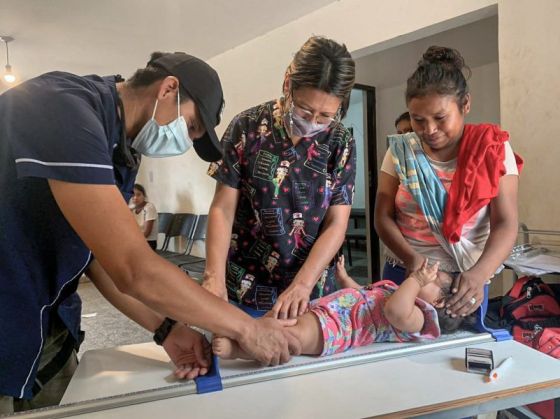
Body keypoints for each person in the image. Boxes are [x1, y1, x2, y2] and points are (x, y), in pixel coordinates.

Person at [0, 52, 299, 413]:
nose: (184, 142)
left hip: (47, 314)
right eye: (190, 127)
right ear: (168, 88)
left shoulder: (122, 150)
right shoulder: (63, 107)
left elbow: (101, 260)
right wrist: (247, 330)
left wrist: (167, 329)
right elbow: (133, 267)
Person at [202, 36, 357, 320]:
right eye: (305, 110)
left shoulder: (340, 141)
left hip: (312, 289)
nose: (312, 122)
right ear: (288, 82)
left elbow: (336, 223)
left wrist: (303, 284)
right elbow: (222, 209)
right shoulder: (246, 127)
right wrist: (214, 278)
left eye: (325, 116)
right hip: (246, 283)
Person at [374, 46, 522, 320]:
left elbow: (506, 223)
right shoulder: (401, 152)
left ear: (465, 104)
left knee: (458, 358)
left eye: (440, 118)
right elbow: (382, 216)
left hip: (467, 283)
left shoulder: (493, 149)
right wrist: (415, 263)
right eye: (418, 120)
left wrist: (479, 275)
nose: (429, 130)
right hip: (405, 272)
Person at [213, 257, 476, 360]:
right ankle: (248, 332)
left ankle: (241, 351)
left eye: (432, 279)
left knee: (292, 336)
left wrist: (417, 280)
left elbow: (393, 312)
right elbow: (367, 293)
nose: (423, 275)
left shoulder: (420, 317)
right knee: (281, 316)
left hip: (338, 330)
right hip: (327, 310)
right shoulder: (401, 292)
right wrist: (345, 279)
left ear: (439, 301)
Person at [130, 183, 159, 250]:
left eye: (138, 194)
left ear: (144, 196)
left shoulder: (149, 207)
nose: (135, 198)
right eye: (133, 195)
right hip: (138, 242)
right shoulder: (132, 209)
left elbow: (146, 233)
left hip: (148, 243)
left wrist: (132, 241)